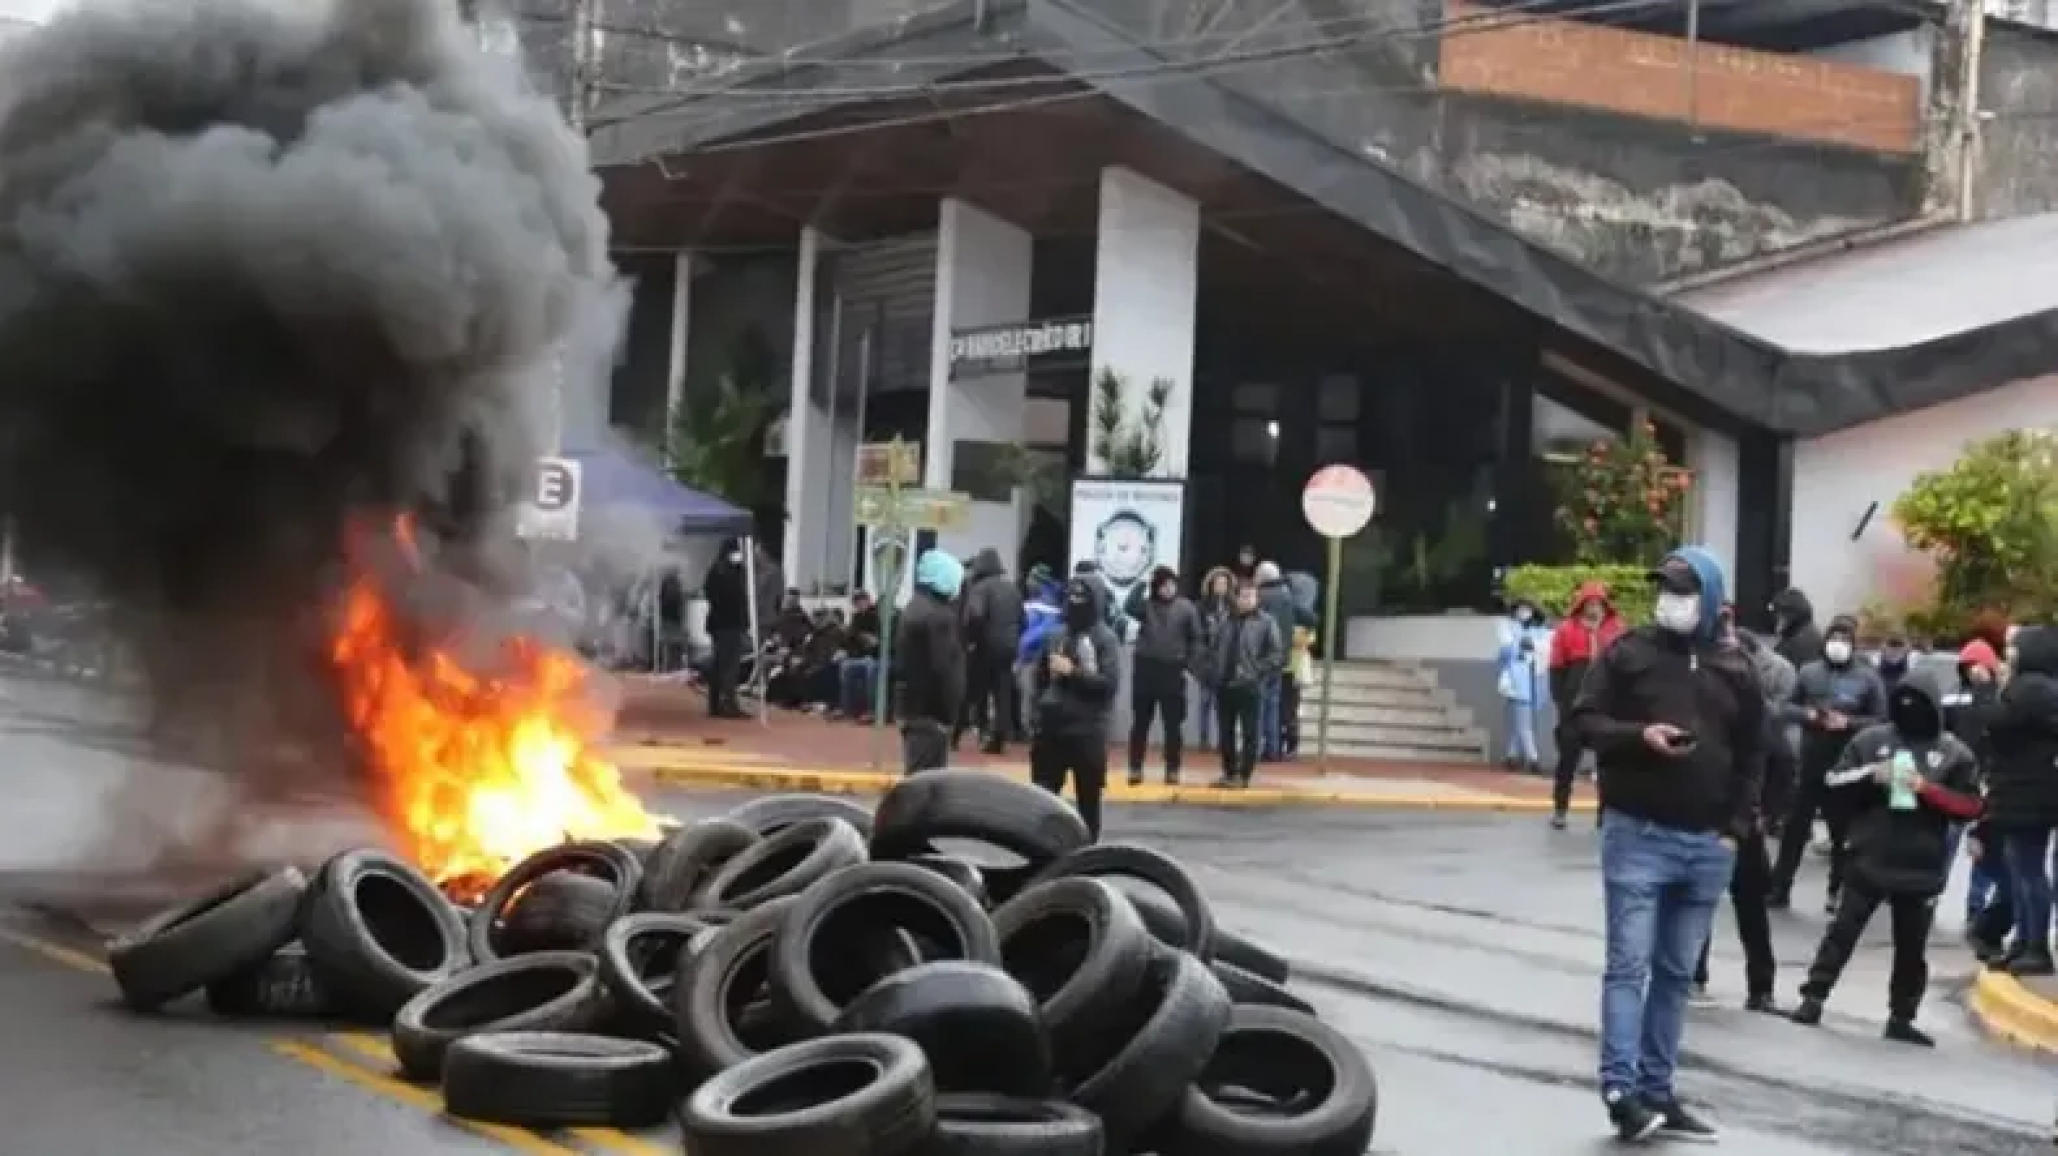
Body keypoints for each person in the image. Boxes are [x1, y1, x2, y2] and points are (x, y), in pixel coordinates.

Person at [1569, 547, 1762, 1144]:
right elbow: (1582, 721)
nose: (1671, 600)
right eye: (1665, 589)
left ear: (1709, 599)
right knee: (1627, 966)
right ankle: (1620, 1090)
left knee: (1676, 973)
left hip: (1707, 846)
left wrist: (1734, 830)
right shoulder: (1628, 655)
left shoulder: (1736, 668)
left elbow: (1755, 754)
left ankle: (1658, 1089)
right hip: (1638, 836)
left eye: (1683, 590)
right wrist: (1637, 736)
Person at [1789, 666, 1982, 1044]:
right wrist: (1868, 776)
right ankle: (1813, 996)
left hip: (1921, 863)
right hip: (1869, 853)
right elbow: (1834, 781)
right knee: (1842, 932)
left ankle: (1901, 1016)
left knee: (1912, 947)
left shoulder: (1954, 752)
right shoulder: (1871, 739)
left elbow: (1971, 805)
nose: (1910, 709)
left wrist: (1926, 789)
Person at [1692, 609, 1793, 1014]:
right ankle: (1755, 987)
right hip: (1728, 817)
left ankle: (1746, 984)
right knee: (1720, 907)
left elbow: (1783, 763)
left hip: (1731, 819)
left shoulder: (1731, 710)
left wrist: (1767, 812)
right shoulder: (1743, 709)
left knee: (1719, 905)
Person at [1769, 615, 1887, 912]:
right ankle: (1780, 886)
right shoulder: (1809, 672)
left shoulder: (1867, 677)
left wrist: (1848, 723)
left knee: (1842, 834)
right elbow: (1787, 707)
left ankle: (1837, 891)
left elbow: (1880, 719)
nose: (1838, 645)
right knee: (1795, 828)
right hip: (1812, 759)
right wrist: (1809, 715)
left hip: (1846, 762)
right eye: (1834, 639)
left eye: (1845, 640)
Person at [1981, 624, 2058, 976]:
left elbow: (1995, 723)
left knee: (2027, 871)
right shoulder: (2042, 690)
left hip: (2025, 792)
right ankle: (2024, 942)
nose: (2008, 653)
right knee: (2023, 869)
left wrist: (1991, 689)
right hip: (2031, 791)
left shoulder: (2028, 690)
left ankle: (2034, 946)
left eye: (2015, 648)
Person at [1029, 576, 1121, 838]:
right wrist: (1036, 714)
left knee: (1088, 803)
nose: (1076, 603)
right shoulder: (1056, 635)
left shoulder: (1105, 639)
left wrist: (1073, 672)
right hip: (1051, 729)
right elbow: (1039, 679)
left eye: (1083, 598)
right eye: (1072, 597)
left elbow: (1108, 685)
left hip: (1087, 730)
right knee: (1043, 800)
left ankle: (1086, 856)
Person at [1945, 638, 2007, 956]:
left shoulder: (1999, 699)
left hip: (1987, 779)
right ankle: (1931, 893)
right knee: (1950, 840)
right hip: (1960, 779)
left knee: (1982, 848)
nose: (1973, 673)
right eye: (1968, 668)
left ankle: (1975, 906)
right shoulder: (1954, 697)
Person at [1547, 581, 1624, 828]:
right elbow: (1556, 667)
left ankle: (1605, 814)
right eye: (1589, 603)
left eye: (1598, 604)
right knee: (1567, 760)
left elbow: (1624, 667)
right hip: (1573, 704)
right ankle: (1560, 809)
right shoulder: (1567, 630)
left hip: (1606, 706)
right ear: (1582, 605)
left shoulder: (1615, 630)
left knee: (1608, 763)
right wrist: (1561, 702)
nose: (1594, 608)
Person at [1124, 565, 1202, 786]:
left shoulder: (1186, 607)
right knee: (1140, 722)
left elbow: (1195, 637)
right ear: (1156, 587)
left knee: (1173, 724)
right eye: (1164, 585)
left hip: (1173, 669)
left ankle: (1172, 769)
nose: (1169, 589)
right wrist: (1140, 582)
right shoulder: (1146, 606)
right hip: (1146, 668)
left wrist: (1190, 665)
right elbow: (1129, 606)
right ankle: (1135, 767)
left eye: (1172, 584)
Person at [1206, 580, 1283, 789]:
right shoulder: (1224, 620)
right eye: (1244, 596)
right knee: (1225, 733)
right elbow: (1213, 647)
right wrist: (1213, 671)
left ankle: (1244, 774)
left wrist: (1257, 670)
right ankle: (1229, 772)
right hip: (1224, 684)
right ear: (1236, 597)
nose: (1248, 600)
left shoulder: (1266, 622)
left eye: (1252, 596)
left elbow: (1276, 654)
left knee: (1250, 733)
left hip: (1250, 684)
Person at [894, 550, 966, 774]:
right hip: (931, 713)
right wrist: (949, 714)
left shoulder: (914, 607)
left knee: (918, 777)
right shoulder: (939, 616)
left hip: (912, 709)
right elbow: (943, 669)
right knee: (927, 786)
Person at [959, 548, 1025, 755]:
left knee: (973, 690)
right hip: (1009, 647)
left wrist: (972, 639)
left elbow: (975, 616)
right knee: (1002, 692)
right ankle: (1000, 736)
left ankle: (963, 730)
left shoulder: (980, 588)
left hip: (985, 646)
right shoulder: (1012, 589)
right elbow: (1023, 620)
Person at [1254, 562, 1314, 761]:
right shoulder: (1287, 597)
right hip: (1282, 659)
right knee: (1274, 705)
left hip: (1261, 659)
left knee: (1259, 706)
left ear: (1262, 578)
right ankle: (1273, 748)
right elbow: (1310, 618)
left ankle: (1257, 748)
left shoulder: (1260, 597)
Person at [1496, 598, 1549, 775]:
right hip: (1516, 682)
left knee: (1518, 723)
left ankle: (1511, 756)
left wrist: (1534, 647)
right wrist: (1518, 646)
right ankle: (1533, 759)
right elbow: (1503, 652)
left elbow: (1546, 649)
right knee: (1524, 724)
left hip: (1536, 681)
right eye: (1520, 609)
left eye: (1527, 609)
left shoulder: (1540, 631)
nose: (1524, 612)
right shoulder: (1509, 628)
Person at [700, 538, 751, 719]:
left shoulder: (715, 570)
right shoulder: (729, 572)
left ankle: (716, 704)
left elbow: (709, 592)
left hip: (719, 623)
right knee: (729, 665)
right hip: (729, 623)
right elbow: (736, 597)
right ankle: (727, 704)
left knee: (720, 664)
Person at [1015, 567, 1064, 740]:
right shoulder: (1055, 605)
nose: (1028, 582)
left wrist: (1020, 650)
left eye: (1032, 578)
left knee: (1029, 695)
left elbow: (1034, 634)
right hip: (1046, 658)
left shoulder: (1037, 606)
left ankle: (1031, 730)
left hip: (1031, 658)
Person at [1195, 567, 1236, 749]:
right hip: (1207, 661)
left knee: (1223, 705)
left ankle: (1223, 740)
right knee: (1205, 702)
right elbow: (1196, 632)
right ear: (1211, 585)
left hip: (1226, 661)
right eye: (1218, 583)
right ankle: (1203, 739)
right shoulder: (1202, 606)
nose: (1221, 586)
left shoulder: (1234, 606)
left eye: (1224, 583)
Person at [837, 591, 882, 720]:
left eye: (862, 601)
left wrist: (871, 642)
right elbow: (850, 638)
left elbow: (877, 640)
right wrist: (843, 649)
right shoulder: (856, 617)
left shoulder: (876, 616)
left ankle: (871, 710)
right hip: (860, 656)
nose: (859, 604)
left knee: (871, 668)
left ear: (868, 601)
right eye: (857, 602)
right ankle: (847, 709)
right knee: (845, 666)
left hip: (875, 657)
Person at [1770, 587, 1824, 669]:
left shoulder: (1799, 639)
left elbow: (1778, 669)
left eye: (1779, 612)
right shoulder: (1806, 628)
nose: (1776, 617)